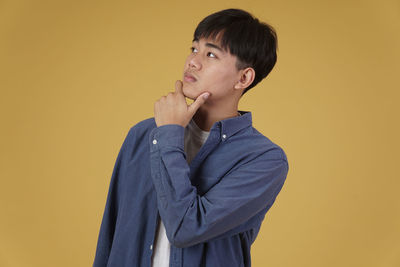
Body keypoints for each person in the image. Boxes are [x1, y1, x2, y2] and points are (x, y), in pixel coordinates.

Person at [93, 8, 289, 267]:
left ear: (244, 77)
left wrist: (170, 136)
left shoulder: (264, 159)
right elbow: (111, 232)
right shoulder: (143, 135)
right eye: (194, 49)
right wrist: (165, 133)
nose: (192, 61)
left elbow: (186, 228)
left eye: (210, 54)